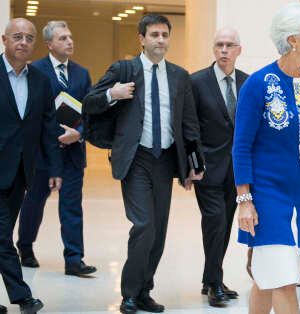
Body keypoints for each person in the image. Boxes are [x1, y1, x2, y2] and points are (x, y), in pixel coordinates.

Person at [83, 14, 204, 314]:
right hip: (135, 158)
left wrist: (193, 164)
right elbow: (90, 101)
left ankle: (144, 290)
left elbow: (189, 124)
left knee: (158, 231)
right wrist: (114, 93)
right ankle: (128, 294)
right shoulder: (125, 69)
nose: (160, 40)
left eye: (164, 34)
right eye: (154, 35)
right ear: (141, 38)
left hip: (165, 161)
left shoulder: (179, 76)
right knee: (144, 225)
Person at [232, 3, 300, 313]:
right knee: (285, 280)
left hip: (299, 197)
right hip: (266, 196)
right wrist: (244, 200)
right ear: (292, 40)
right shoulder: (258, 84)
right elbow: (241, 146)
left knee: (267, 277)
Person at [17, 20, 96, 276]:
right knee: (34, 202)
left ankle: (74, 259)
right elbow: (29, 113)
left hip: (73, 153)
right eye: (62, 38)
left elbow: (90, 112)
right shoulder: (34, 71)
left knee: (72, 206)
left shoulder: (82, 74)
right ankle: (25, 246)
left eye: (70, 37)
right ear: (49, 44)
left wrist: (79, 134)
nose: (69, 41)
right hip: (42, 154)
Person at [1, 17, 63, 314]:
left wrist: (55, 168)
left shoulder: (41, 80)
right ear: (4, 40)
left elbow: (49, 128)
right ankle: (23, 297)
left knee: (1, 235)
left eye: (28, 38)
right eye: (17, 36)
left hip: (20, 173)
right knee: (1, 237)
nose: (22, 42)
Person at [190, 27, 248, 307]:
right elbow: (188, 128)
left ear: (239, 50)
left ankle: (210, 277)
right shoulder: (197, 82)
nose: (224, 50)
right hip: (206, 168)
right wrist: (191, 165)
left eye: (230, 45)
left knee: (223, 226)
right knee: (215, 222)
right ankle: (214, 283)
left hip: (236, 172)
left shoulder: (247, 83)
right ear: (214, 50)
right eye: (219, 45)